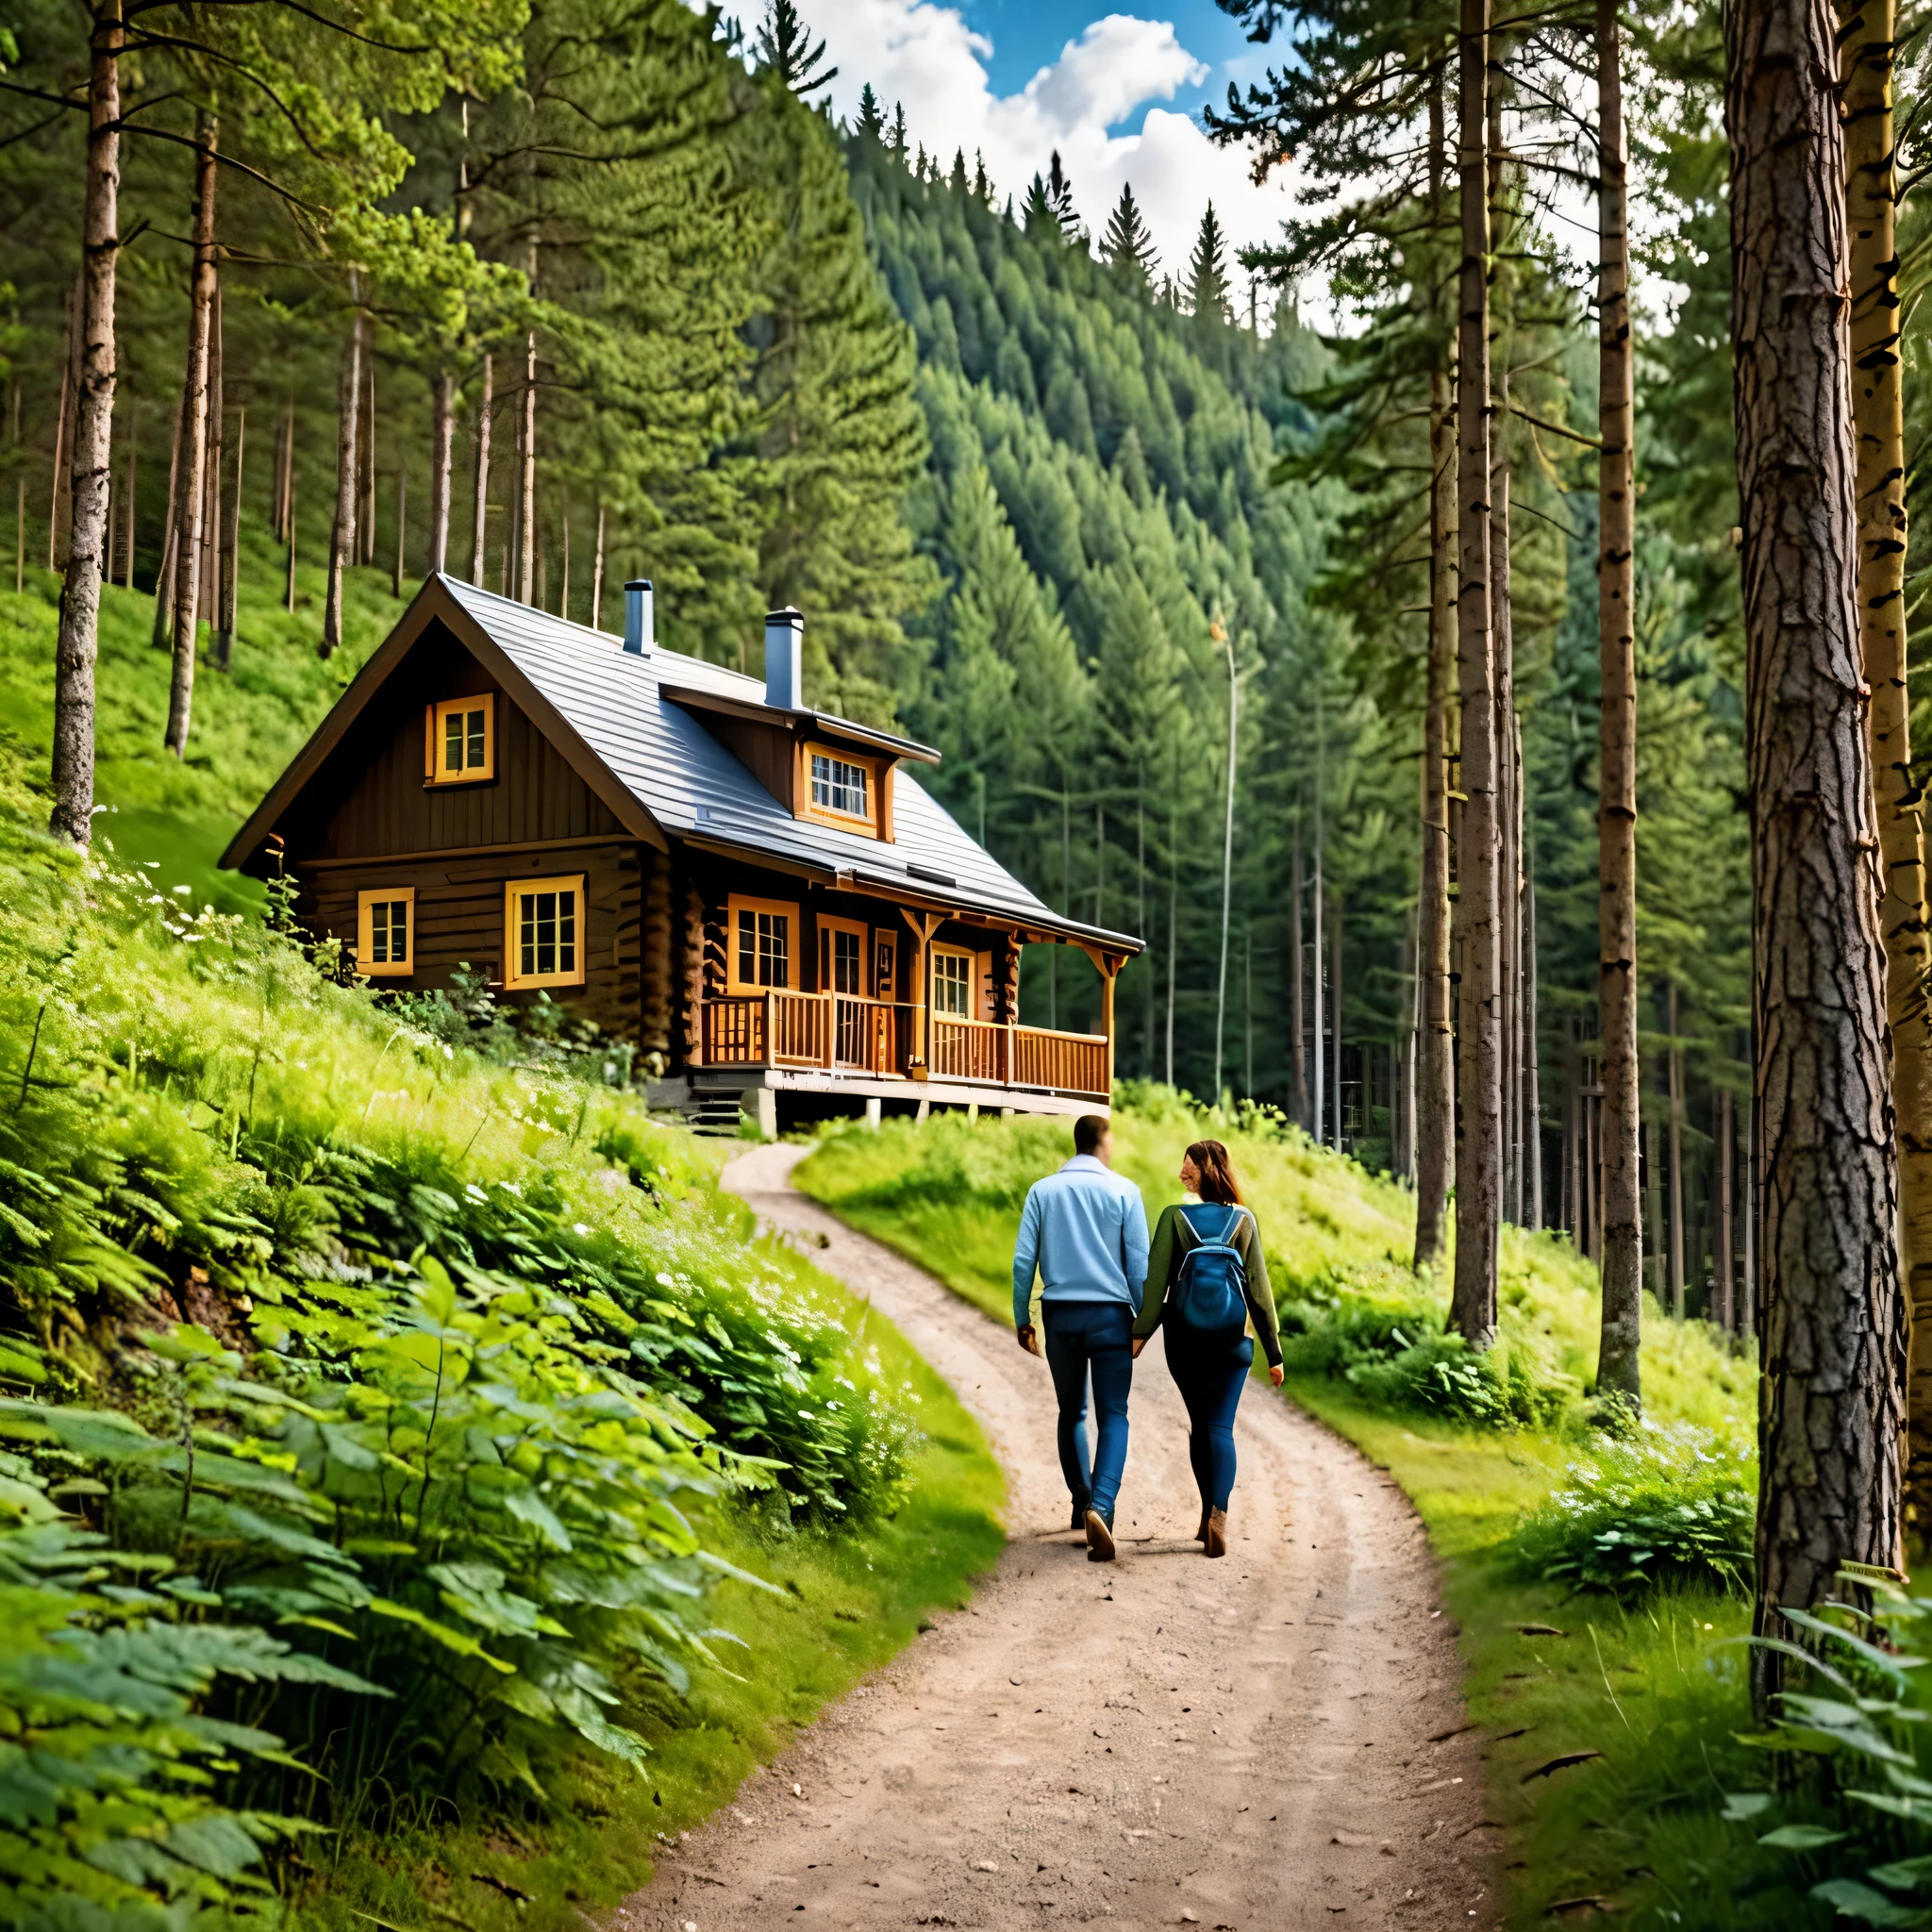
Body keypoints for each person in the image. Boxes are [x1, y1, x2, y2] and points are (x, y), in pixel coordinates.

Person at [1132, 1139, 1283, 1558]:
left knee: (1201, 1425)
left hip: (1185, 1341)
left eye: (1188, 1167)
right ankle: (1217, 1513)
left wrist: (1139, 1335)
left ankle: (1206, 1517)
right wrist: (1275, 1354)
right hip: (1233, 1343)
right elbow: (1260, 1294)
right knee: (1220, 1427)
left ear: (1205, 1171)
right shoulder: (1244, 1221)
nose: (1182, 1174)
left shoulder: (1174, 1217)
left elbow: (1155, 1284)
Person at [1011, 1113, 1151, 1562]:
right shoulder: (1125, 1191)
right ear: (1103, 1142)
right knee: (1114, 1415)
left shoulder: (1042, 1191)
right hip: (1111, 1317)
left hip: (1062, 1316)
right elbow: (1139, 1267)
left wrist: (1023, 1317)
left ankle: (1080, 1500)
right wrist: (1141, 1321)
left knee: (1071, 1410)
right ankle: (1102, 1506)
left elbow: (1022, 1263)